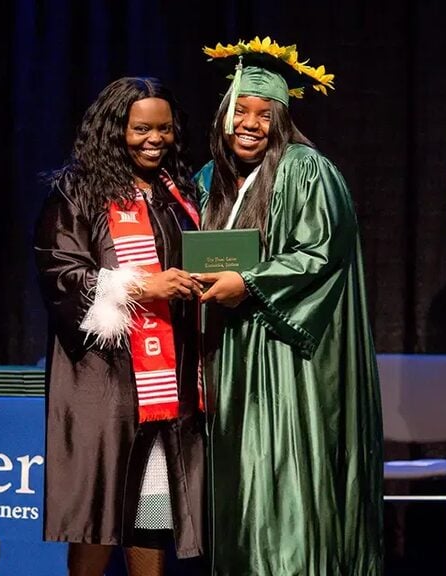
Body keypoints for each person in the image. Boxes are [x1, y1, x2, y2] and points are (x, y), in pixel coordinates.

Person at [192, 37, 383, 575]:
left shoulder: (307, 170)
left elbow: (320, 254)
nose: (249, 124)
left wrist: (248, 284)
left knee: (282, 482)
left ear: (280, 119)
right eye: (240, 111)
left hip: (285, 359)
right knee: (239, 492)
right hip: (228, 355)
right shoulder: (209, 180)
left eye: (263, 113)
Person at [33, 77, 205, 576]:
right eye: (141, 129)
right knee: (98, 514)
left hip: (166, 378)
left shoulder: (179, 191)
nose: (155, 139)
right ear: (114, 131)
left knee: (152, 510)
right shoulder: (78, 190)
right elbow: (59, 272)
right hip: (104, 378)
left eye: (165, 129)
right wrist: (139, 287)